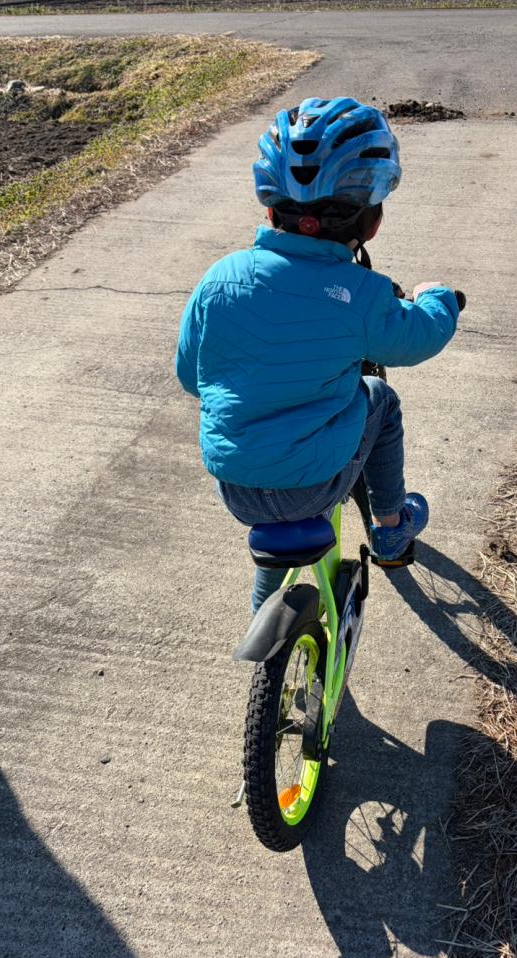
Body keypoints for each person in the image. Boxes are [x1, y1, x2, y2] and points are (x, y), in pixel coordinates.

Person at [175, 97, 461, 612]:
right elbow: (419, 337)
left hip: (235, 485)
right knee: (379, 397)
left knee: (275, 553)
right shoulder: (362, 294)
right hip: (311, 485)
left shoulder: (219, 278)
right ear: (371, 223)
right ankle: (391, 531)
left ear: (268, 207)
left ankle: (264, 618)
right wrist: (436, 296)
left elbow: (191, 377)